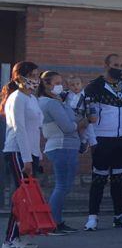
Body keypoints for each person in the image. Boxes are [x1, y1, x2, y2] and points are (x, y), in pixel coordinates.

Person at [83, 54, 122, 230]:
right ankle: (92, 217)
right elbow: (88, 115)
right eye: (116, 64)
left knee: (119, 179)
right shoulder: (94, 87)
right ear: (106, 65)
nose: (119, 68)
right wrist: (92, 140)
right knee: (99, 179)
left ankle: (120, 215)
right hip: (102, 139)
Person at [3, 62, 43, 248]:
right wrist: (27, 158)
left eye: (37, 75)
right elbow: (19, 130)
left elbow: (35, 128)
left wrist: (36, 155)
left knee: (26, 197)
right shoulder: (17, 98)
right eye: (32, 75)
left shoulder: (31, 99)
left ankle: (18, 236)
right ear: (21, 77)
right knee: (22, 197)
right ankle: (9, 241)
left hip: (30, 152)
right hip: (17, 151)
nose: (36, 79)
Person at [37, 71, 82, 233]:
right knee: (62, 186)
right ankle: (52, 222)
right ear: (47, 84)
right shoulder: (50, 103)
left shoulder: (56, 101)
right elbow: (68, 126)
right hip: (62, 146)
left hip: (65, 146)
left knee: (64, 186)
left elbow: (73, 118)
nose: (60, 86)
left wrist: (77, 121)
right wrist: (82, 124)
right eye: (56, 83)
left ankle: (56, 220)